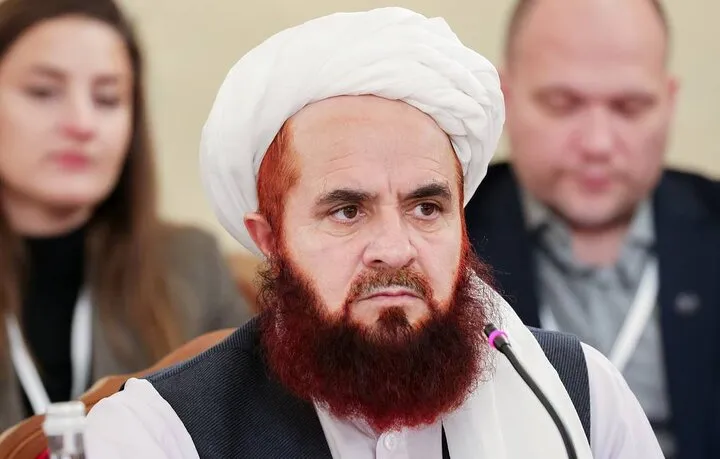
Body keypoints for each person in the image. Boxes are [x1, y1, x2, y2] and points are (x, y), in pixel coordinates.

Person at [83, 7, 663, 458]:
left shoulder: (581, 397)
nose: (395, 248)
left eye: (426, 207)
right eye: (347, 211)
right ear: (270, 239)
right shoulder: (159, 433)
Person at [463, 1, 720, 458]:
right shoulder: (447, 237)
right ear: (505, 99)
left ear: (669, 102)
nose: (598, 143)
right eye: (562, 105)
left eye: (630, 107)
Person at [0, 0, 252, 431]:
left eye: (107, 98)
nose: (82, 124)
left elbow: (247, 430)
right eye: (43, 92)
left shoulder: (190, 263)